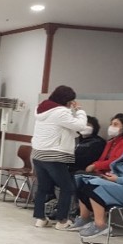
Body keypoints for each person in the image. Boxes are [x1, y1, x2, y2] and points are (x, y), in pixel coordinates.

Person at [30, 85, 88, 229]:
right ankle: (62, 221)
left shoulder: (41, 109)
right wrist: (80, 110)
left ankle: (40, 219)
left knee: (43, 187)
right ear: (66, 100)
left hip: (38, 153)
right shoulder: (60, 112)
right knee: (67, 187)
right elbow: (80, 126)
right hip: (54, 155)